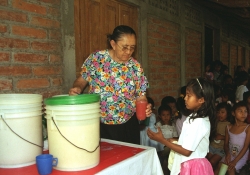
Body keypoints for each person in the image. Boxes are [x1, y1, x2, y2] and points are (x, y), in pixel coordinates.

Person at [68, 25, 152, 144]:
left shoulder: (135, 66)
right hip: (99, 124)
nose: (128, 52)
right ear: (113, 44)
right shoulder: (96, 59)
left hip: (128, 124)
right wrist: (77, 88)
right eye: (124, 47)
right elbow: (81, 80)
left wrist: (146, 107)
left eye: (132, 48)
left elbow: (141, 96)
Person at [147, 78, 216, 175]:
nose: (185, 98)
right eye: (185, 95)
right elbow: (191, 140)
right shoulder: (194, 117)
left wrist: (163, 140)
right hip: (190, 164)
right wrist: (176, 141)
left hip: (195, 167)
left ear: (201, 100)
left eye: (189, 95)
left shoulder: (199, 122)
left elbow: (187, 151)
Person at [214, 101, 250, 175]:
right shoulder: (228, 127)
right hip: (230, 155)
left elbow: (246, 147)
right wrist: (227, 154)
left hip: (241, 157)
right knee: (220, 166)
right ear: (233, 113)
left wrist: (235, 161)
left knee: (231, 169)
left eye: (245, 111)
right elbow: (226, 144)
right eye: (240, 111)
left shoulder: (248, 128)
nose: (243, 114)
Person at [206, 102, 232, 170]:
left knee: (212, 162)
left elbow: (232, 137)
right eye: (218, 112)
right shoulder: (216, 122)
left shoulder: (229, 125)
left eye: (222, 112)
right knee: (207, 160)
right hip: (212, 146)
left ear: (228, 113)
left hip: (221, 149)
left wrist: (222, 137)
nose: (219, 114)